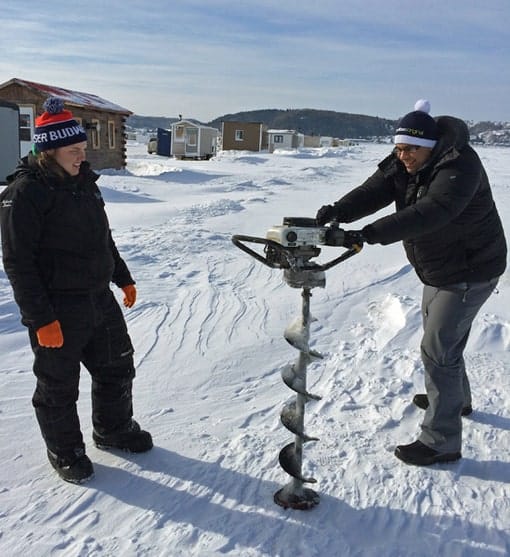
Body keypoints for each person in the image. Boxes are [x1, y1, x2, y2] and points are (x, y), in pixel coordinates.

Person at [316, 100, 507, 466]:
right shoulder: (407, 160)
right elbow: (374, 191)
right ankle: (455, 400)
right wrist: (338, 211)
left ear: (430, 147)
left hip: (470, 269)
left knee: (438, 350)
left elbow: (432, 212)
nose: (402, 156)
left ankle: (441, 441)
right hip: (439, 268)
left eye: (410, 149)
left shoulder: (459, 166)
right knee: (445, 344)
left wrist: (367, 234)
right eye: (398, 148)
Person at [0, 97, 153, 484]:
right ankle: (65, 451)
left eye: (83, 150)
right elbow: (19, 263)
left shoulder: (85, 185)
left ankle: (113, 430)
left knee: (117, 366)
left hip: (98, 298)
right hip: (57, 307)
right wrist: (41, 320)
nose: (81, 157)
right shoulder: (25, 194)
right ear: (48, 151)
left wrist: (123, 277)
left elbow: (103, 238)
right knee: (58, 386)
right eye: (74, 151)